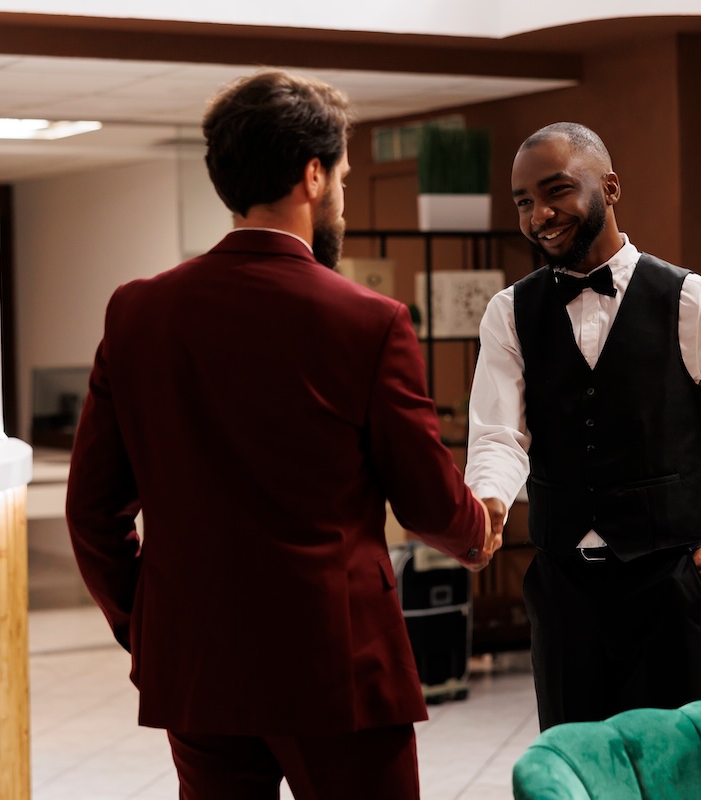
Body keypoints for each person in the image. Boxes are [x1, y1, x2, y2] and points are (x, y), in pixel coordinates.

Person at [65, 69, 498, 800]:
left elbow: (91, 513)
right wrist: (477, 530)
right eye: (344, 178)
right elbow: (426, 501)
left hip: (198, 667)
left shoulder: (137, 313)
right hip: (337, 664)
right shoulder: (368, 321)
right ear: (312, 175)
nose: (343, 198)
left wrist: (148, 624)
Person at [465, 122, 701, 729]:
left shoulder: (693, 302)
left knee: (672, 774)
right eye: (523, 202)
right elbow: (500, 435)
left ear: (610, 187)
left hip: (666, 590)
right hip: (561, 589)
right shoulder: (508, 313)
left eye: (556, 191)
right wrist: (489, 496)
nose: (539, 214)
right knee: (576, 775)